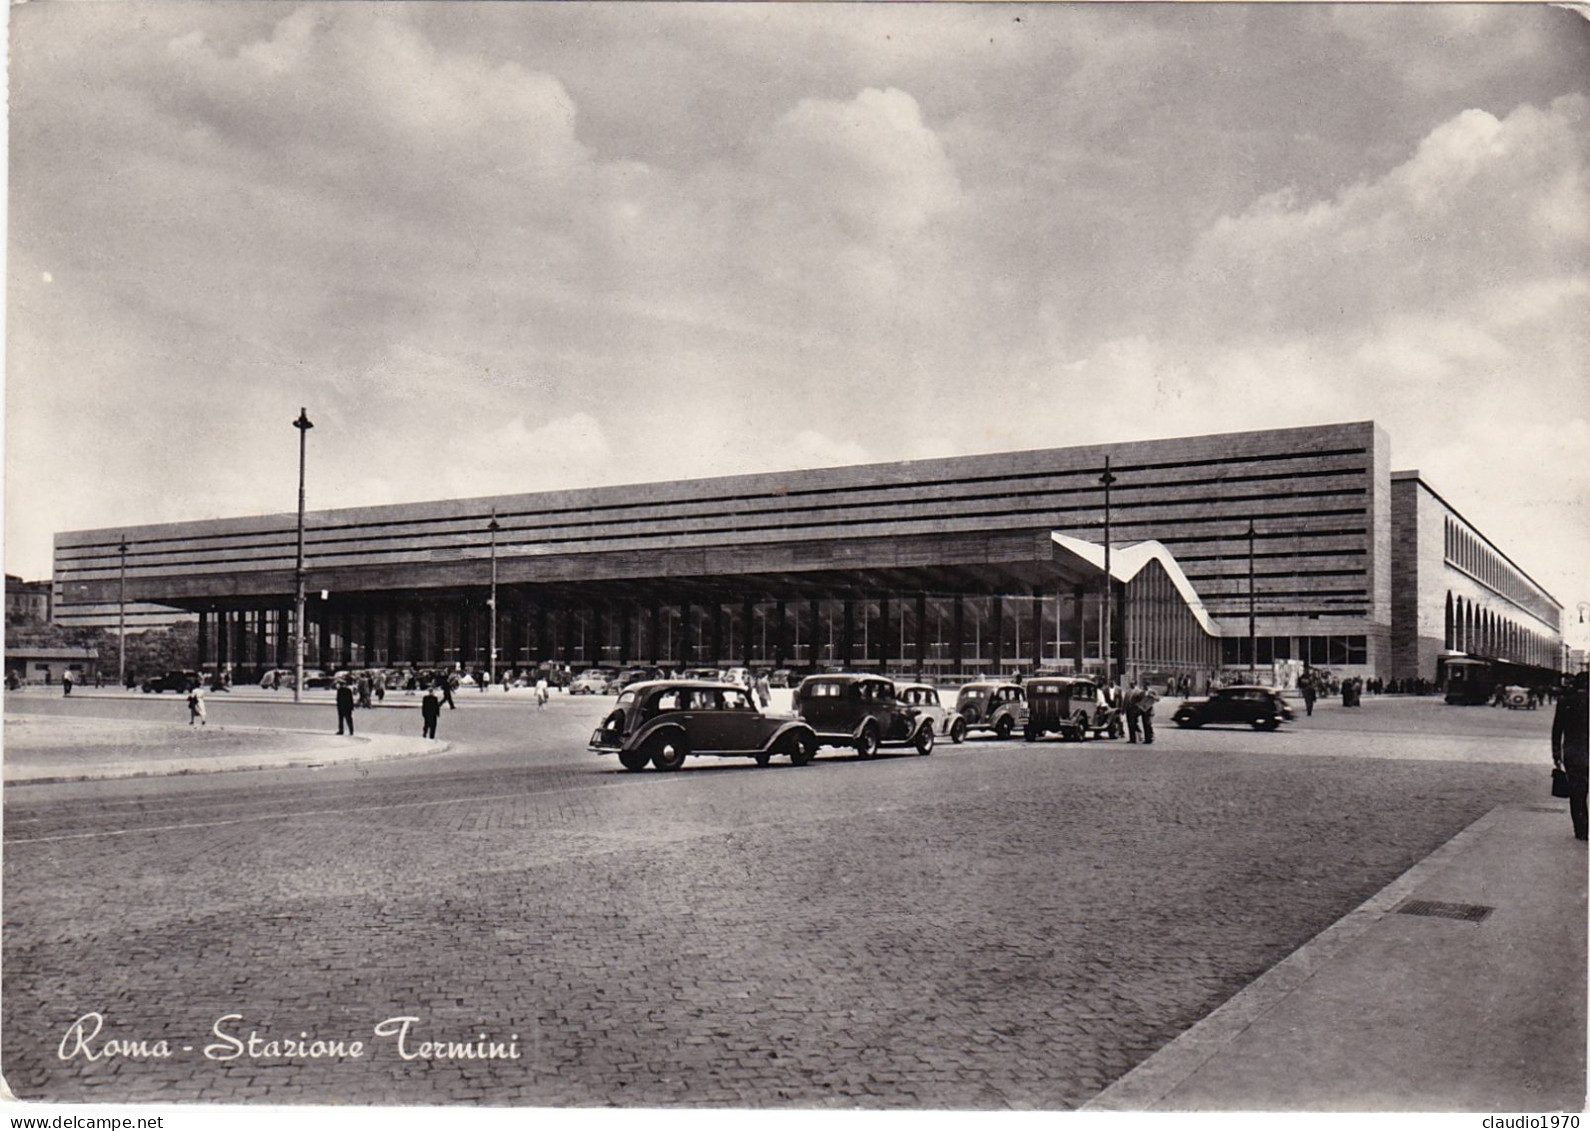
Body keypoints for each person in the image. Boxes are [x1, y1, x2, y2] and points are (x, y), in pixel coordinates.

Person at [1551, 671, 1587, 841]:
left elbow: (1557, 730)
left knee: (1577, 794)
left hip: (1573, 754)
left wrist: (1556, 754)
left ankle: (1582, 831)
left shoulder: (1565, 701)